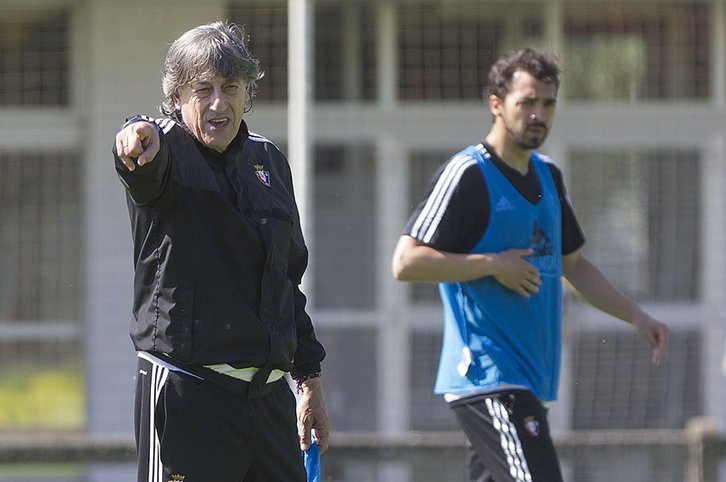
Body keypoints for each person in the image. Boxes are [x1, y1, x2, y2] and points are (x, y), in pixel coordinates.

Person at [391, 48, 669, 482]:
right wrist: (492, 264)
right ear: (497, 104)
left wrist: (637, 315)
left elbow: (574, 267)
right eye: (527, 102)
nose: (538, 114)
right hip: (488, 377)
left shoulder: (549, 176)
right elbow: (406, 261)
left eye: (548, 103)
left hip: (529, 381)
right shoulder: (468, 172)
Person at [113, 21, 329, 482]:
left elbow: (286, 281)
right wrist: (132, 137)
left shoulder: (268, 160)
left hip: (269, 402)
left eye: (230, 87)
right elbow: (141, 152)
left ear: (247, 93)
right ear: (176, 98)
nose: (218, 103)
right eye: (203, 89)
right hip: (190, 396)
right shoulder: (165, 148)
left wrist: (308, 380)